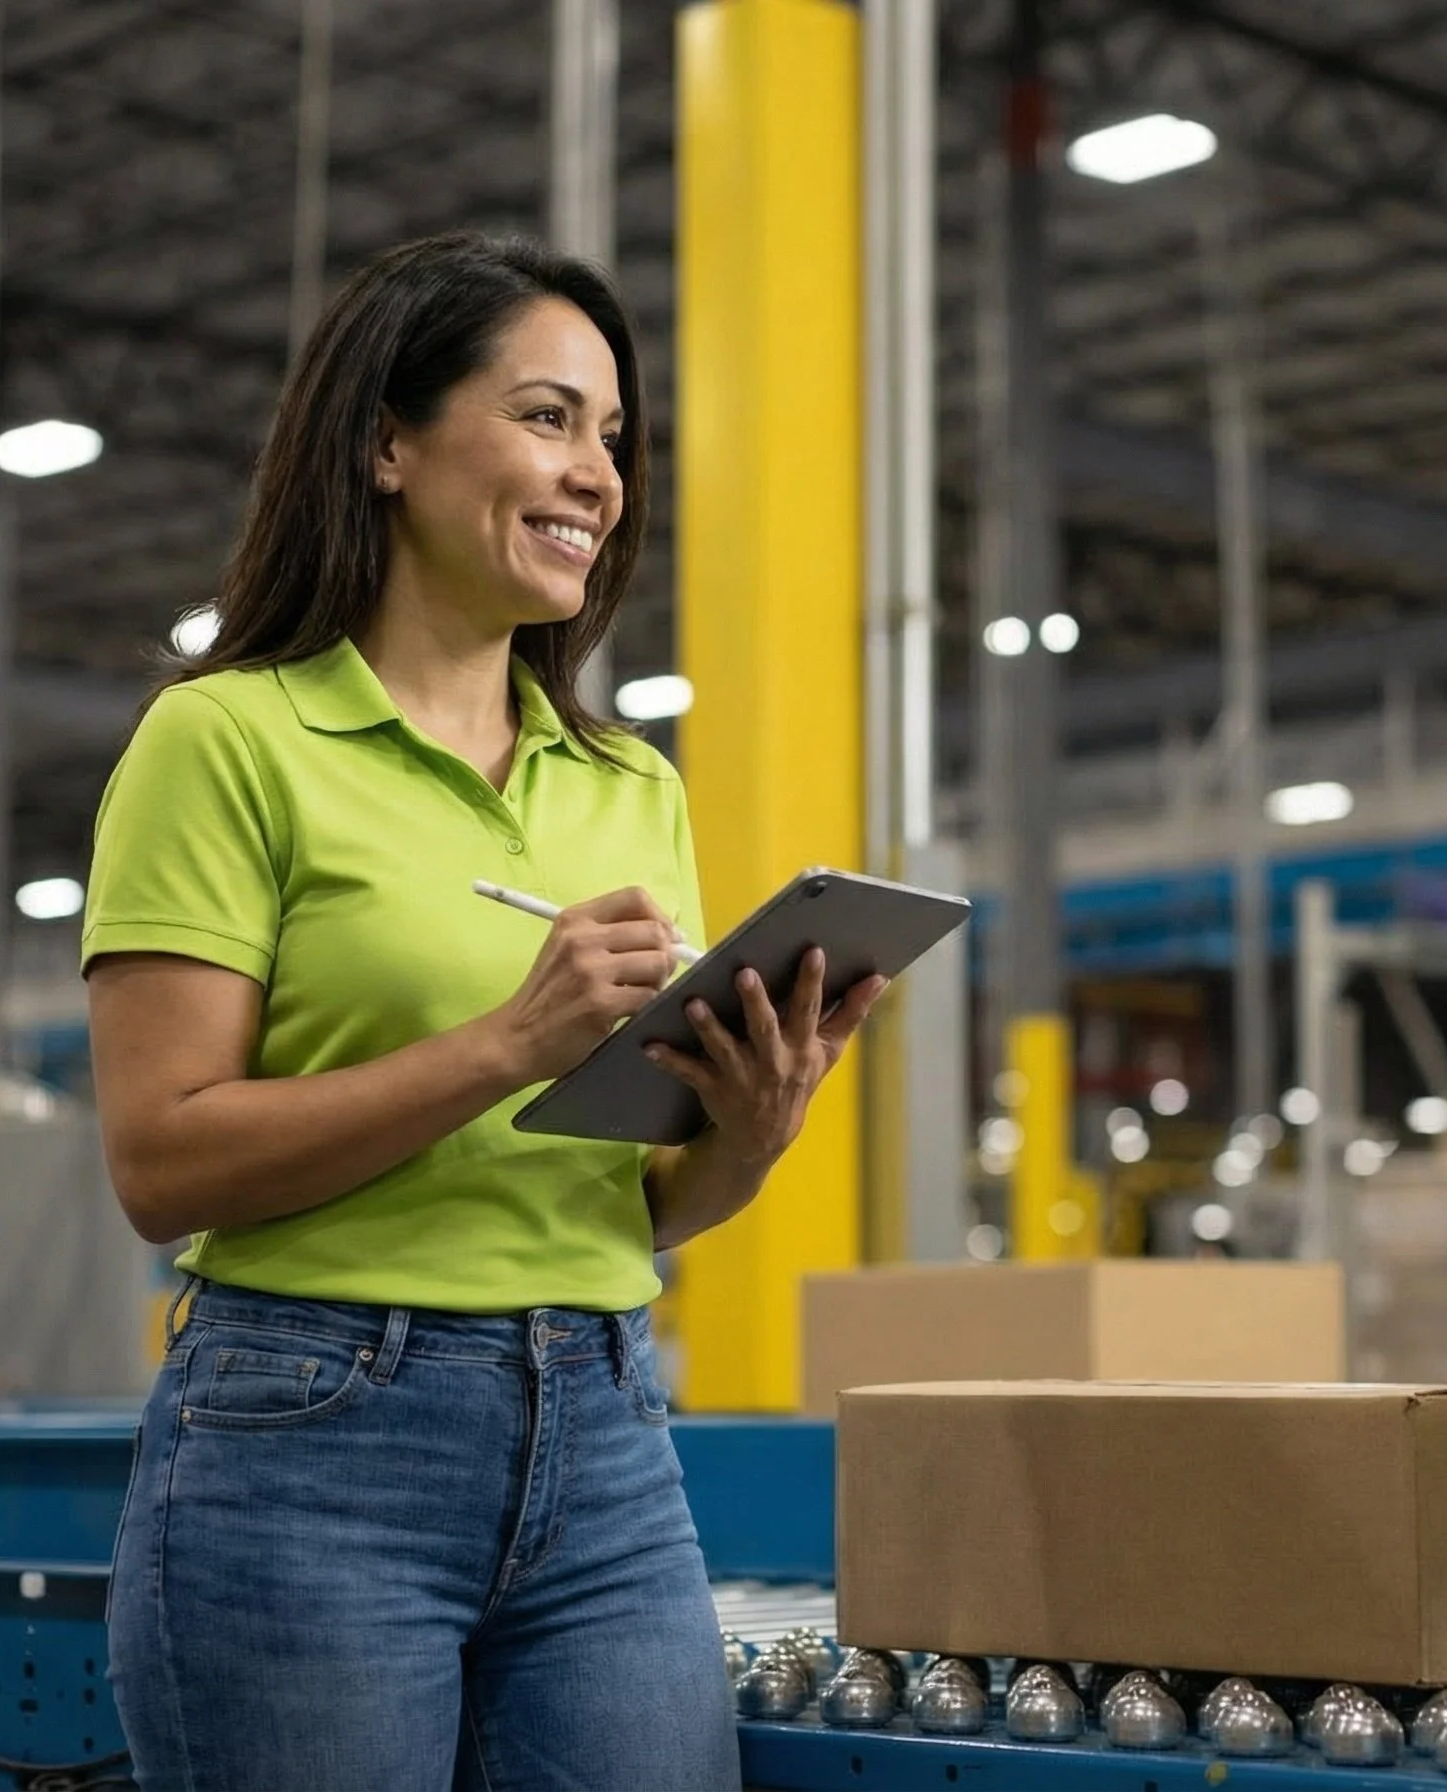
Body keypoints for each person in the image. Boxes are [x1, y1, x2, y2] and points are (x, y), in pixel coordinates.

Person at [82, 232, 883, 1792]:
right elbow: (161, 1165)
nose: (597, 473)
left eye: (612, 437)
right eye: (545, 417)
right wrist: (509, 1047)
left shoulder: (628, 784)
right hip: (312, 1440)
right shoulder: (228, 741)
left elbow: (643, 1206)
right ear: (386, 442)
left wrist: (753, 1129)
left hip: (602, 1432)